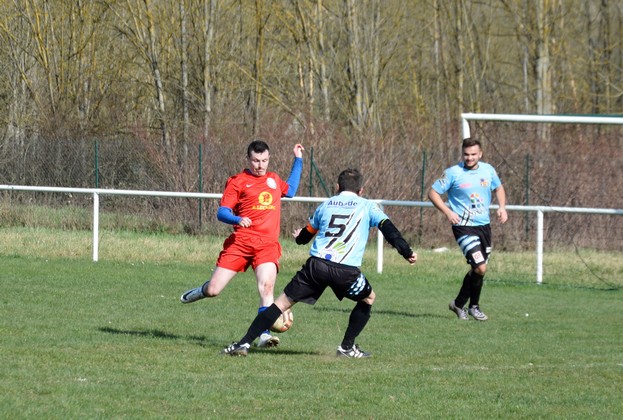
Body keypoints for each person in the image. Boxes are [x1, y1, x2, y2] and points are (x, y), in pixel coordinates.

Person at [222, 168, 418, 358]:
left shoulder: (326, 205)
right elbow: (389, 230)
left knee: (280, 304)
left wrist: (299, 237)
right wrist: (406, 252)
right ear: (361, 190)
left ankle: (243, 343)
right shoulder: (367, 206)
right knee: (368, 298)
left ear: (337, 187)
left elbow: (306, 235)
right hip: (345, 270)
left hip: (316, 266)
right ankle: (347, 348)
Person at [180, 140, 304, 348]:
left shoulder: (273, 179)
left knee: (267, 288)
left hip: (267, 245)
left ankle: (264, 335)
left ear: (269, 159)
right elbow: (222, 212)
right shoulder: (238, 181)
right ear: (248, 159)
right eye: (256, 161)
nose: (260, 165)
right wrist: (237, 219)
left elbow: (290, 190)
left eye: (264, 160)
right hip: (241, 243)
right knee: (214, 290)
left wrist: (298, 160)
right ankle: (201, 291)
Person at [428, 137, 508, 321]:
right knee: (480, 267)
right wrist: (448, 212)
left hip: (484, 226)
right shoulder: (453, 173)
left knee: (478, 270)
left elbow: (499, 188)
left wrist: (502, 207)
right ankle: (474, 307)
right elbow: (432, 193)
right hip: (463, 227)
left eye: (473, 154)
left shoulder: (488, 170)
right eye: (466, 154)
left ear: (480, 154)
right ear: (462, 154)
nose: (470, 158)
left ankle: (459, 304)